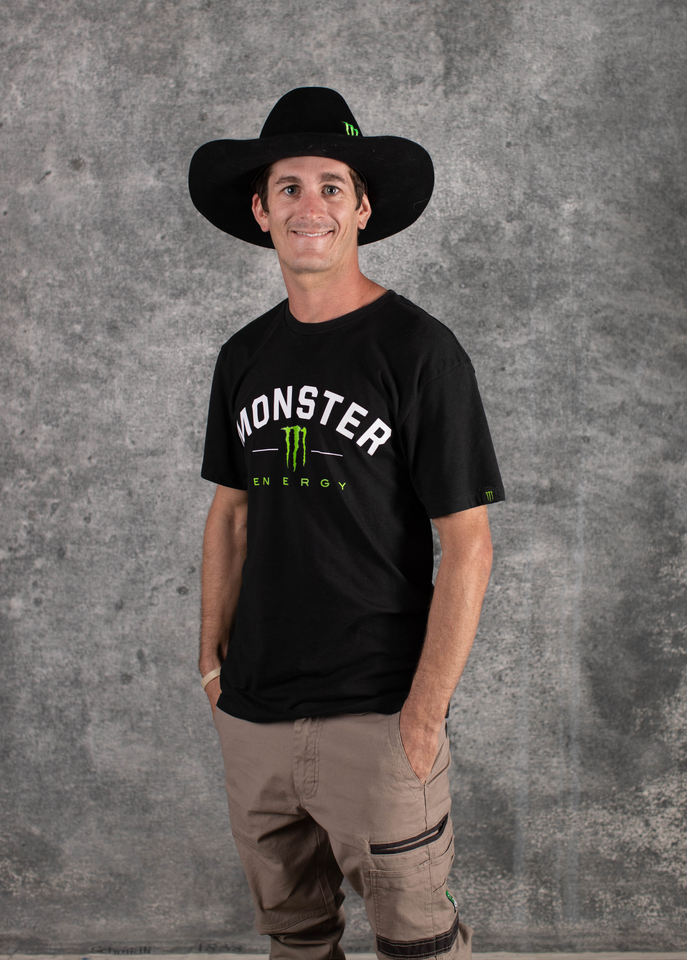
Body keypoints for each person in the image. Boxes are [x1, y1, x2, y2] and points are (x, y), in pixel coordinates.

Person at [189, 87, 505, 960]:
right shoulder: (244, 356)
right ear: (261, 210)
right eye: (288, 187)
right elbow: (231, 514)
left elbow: (468, 545)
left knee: (417, 945)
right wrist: (210, 664)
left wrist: (423, 717)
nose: (310, 206)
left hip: (377, 712)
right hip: (254, 711)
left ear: (363, 208)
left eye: (332, 186)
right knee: (294, 939)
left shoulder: (420, 351)